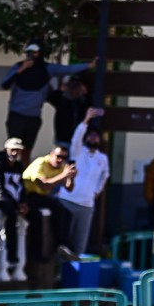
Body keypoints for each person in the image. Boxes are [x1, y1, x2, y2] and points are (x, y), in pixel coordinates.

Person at [1, 42, 94, 153]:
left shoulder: (47, 68)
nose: (32, 55)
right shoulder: (18, 66)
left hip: (34, 117)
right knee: (13, 148)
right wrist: (20, 70)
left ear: (40, 53)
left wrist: (88, 65)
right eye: (29, 52)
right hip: (16, 115)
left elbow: (67, 69)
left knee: (27, 150)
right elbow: (5, 84)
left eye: (34, 52)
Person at [57, 110, 109, 258]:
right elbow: (76, 138)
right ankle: (60, 267)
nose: (93, 138)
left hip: (87, 205)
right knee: (64, 240)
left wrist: (97, 191)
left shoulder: (102, 158)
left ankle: (76, 269)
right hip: (68, 200)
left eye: (96, 136)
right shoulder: (78, 152)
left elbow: (105, 175)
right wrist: (86, 120)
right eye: (91, 136)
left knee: (80, 243)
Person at [22, 144, 76, 259]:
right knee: (40, 216)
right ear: (51, 155)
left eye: (64, 158)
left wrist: (70, 177)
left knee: (66, 213)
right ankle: (38, 253)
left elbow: (69, 188)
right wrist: (63, 175)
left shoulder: (62, 167)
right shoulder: (40, 163)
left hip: (41, 197)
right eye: (58, 156)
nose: (60, 160)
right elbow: (44, 185)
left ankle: (62, 245)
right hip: (26, 195)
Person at [0, 137, 28, 264]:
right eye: (13, 150)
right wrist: (16, 205)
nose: (15, 153)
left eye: (18, 150)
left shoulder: (19, 166)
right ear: (6, 149)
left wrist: (23, 202)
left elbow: (21, 186)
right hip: (0, 199)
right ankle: (12, 253)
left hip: (15, 201)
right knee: (11, 216)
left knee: (35, 214)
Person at [47, 76, 90, 148]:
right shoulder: (62, 98)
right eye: (72, 85)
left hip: (80, 140)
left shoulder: (83, 100)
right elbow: (51, 98)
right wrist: (61, 90)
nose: (74, 88)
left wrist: (85, 93)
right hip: (63, 138)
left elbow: (92, 105)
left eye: (77, 85)